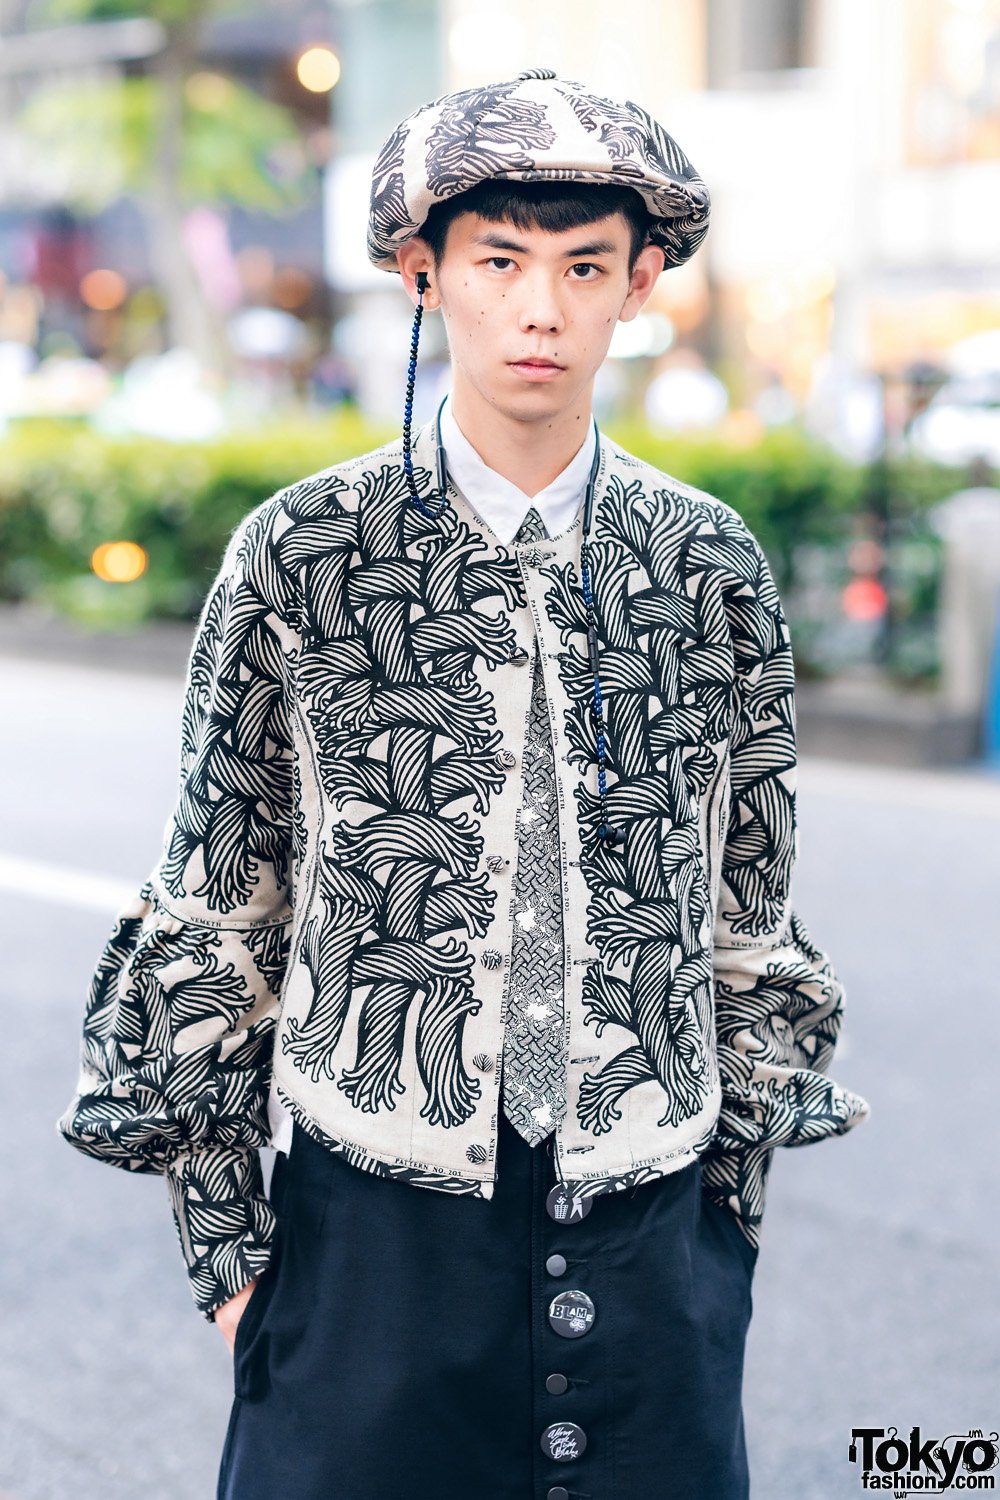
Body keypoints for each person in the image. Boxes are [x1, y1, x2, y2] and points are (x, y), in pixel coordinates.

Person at [57, 67, 871, 1500]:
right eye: (500, 262)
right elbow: (211, 918)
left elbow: (750, 919)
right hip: (370, 1252)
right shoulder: (306, 555)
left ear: (641, 282)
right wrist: (235, 1267)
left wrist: (723, 1242)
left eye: (584, 266)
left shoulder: (708, 567)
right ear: (423, 272)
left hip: (650, 1239)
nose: (542, 311)